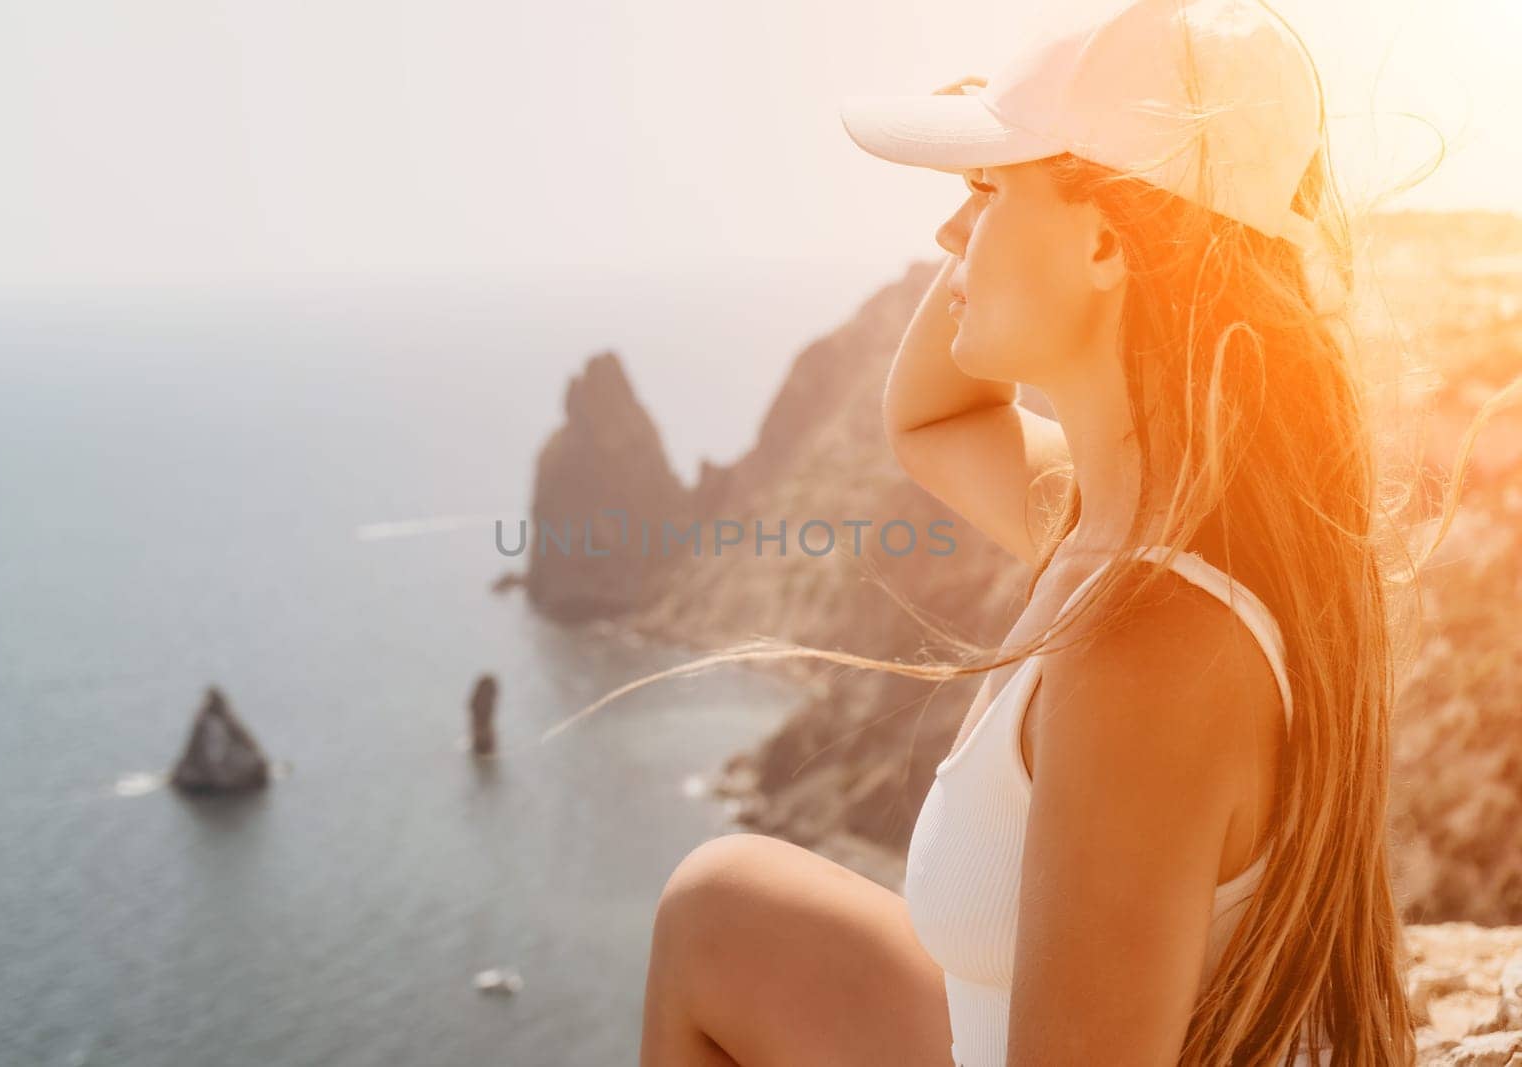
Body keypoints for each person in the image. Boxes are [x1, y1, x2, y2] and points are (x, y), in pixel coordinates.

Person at [602, 1, 1512, 1063]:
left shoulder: (1150, 644)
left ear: (1101, 243)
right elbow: (932, 419)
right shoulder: (1127, 517)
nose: (948, 232)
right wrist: (999, 174)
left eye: (983, 194)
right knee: (723, 907)